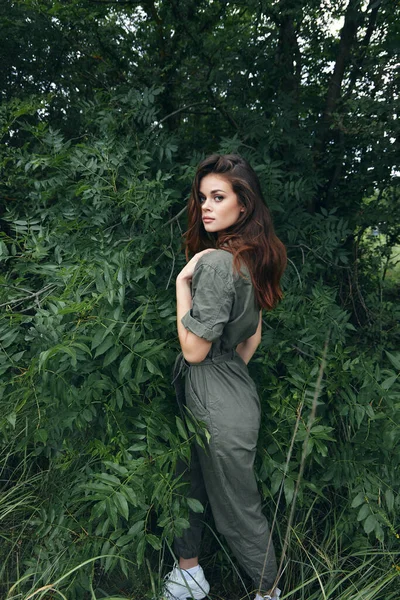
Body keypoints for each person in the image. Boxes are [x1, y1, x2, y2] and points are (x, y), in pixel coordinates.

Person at [164, 154, 287, 600]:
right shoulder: (250, 260)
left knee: (237, 510)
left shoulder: (216, 262)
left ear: (244, 204)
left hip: (213, 393)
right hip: (230, 389)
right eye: (202, 198)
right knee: (189, 480)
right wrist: (225, 379)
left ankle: (268, 592)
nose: (206, 207)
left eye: (219, 197)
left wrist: (182, 284)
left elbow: (194, 350)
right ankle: (188, 576)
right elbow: (250, 339)